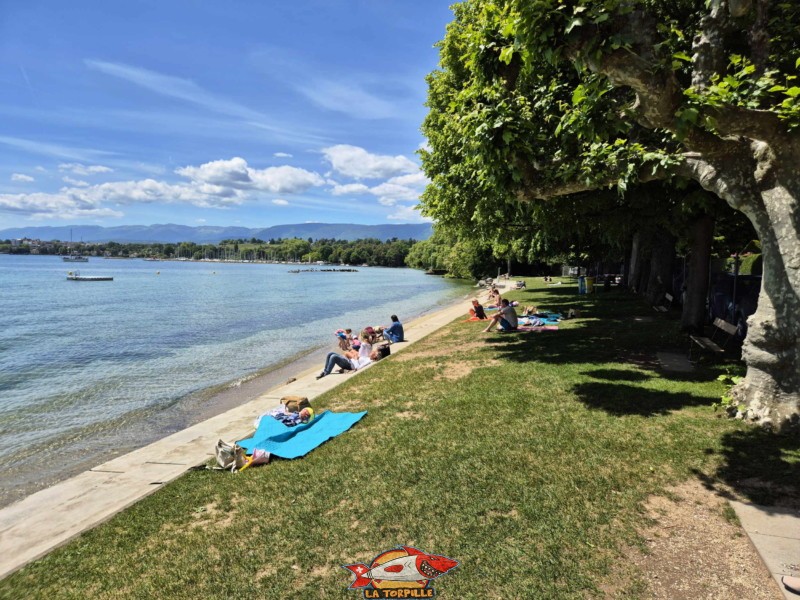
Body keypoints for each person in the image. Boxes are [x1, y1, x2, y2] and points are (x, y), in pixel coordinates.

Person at [316, 348, 381, 379]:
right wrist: (357, 356)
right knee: (330, 353)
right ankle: (325, 371)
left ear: (374, 356)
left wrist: (356, 359)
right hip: (350, 361)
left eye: (373, 352)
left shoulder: (369, 361)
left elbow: (358, 367)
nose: (372, 351)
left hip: (350, 365)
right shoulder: (368, 358)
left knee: (333, 357)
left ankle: (326, 373)